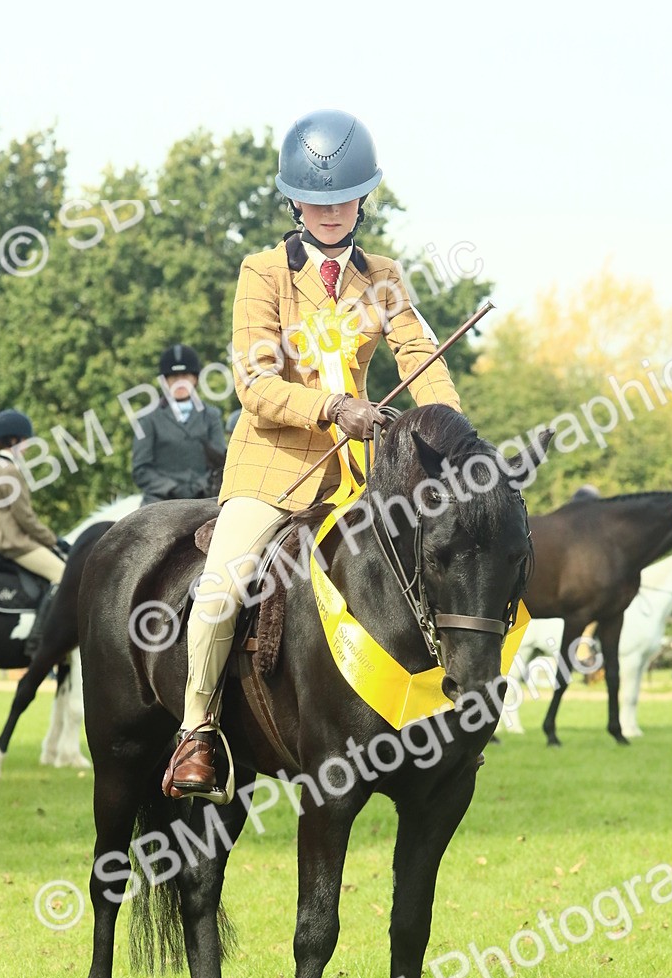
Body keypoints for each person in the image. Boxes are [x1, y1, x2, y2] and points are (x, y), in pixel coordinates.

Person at [162, 108, 461, 801]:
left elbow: (421, 356)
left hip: (362, 469)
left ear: (363, 198)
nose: (331, 212)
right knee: (219, 590)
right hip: (274, 465)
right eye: (318, 200)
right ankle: (197, 732)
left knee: (450, 554)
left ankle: (451, 707)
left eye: (344, 198)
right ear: (295, 201)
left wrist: (449, 430)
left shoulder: (382, 275)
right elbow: (255, 383)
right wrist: (332, 407)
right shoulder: (262, 271)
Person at [132, 344, 227, 504]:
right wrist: (171, 488)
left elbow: (219, 462)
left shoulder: (211, 416)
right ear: (165, 381)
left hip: (203, 497)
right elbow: (141, 470)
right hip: (160, 500)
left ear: (195, 379)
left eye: (185, 377)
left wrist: (201, 485)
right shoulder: (148, 419)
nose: (180, 383)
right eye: (174, 378)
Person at [0, 409, 66, 585]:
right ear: (13, 440)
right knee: (64, 576)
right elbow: (25, 517)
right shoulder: (10, 470)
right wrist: (53, 540)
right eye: (25, 440)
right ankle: (46, 614)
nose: (27, 446)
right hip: (15, 545)